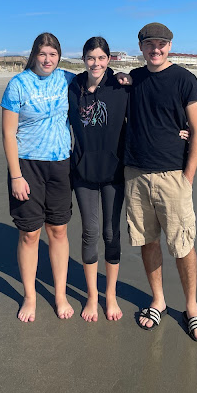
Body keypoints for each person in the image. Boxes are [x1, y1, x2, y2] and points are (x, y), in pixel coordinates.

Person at [124, 22, 197, 341]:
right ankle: (158, 300)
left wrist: (187, 177)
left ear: (169, 46)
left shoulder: (185, 79)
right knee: (148, 240)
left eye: (161, 44)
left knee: (183, 244)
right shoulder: (131, 79)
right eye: (149, 44)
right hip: (135, 174)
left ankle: (191, 307)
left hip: (173, 175)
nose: (155, 49)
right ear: (141, 47)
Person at [1, 32, 75, 323]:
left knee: (58, 231)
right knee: (30, 233)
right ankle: (30, 296)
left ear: (59, 56)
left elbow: (98, 78)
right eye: (43, 54)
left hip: (60, 164)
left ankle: (59, 295)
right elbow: (8, 133)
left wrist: (122, 76)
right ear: (34, 55)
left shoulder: (67, 79)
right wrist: (16, 176)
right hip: (27, 166)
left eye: (53, 55)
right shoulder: (18, 84)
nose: (48, 60)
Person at [68, 37, 129, 322]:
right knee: (90, 232)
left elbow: (152, 109)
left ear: (109, 59)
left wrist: (181, 130)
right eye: (91, 58)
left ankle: (112, 296)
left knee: (111, 233)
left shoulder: (121, 87)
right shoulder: (73, 87)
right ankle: (93, 296)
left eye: (101, 58)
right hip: (83, 173)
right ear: (84, 59)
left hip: (114, 173)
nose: (96, 63)